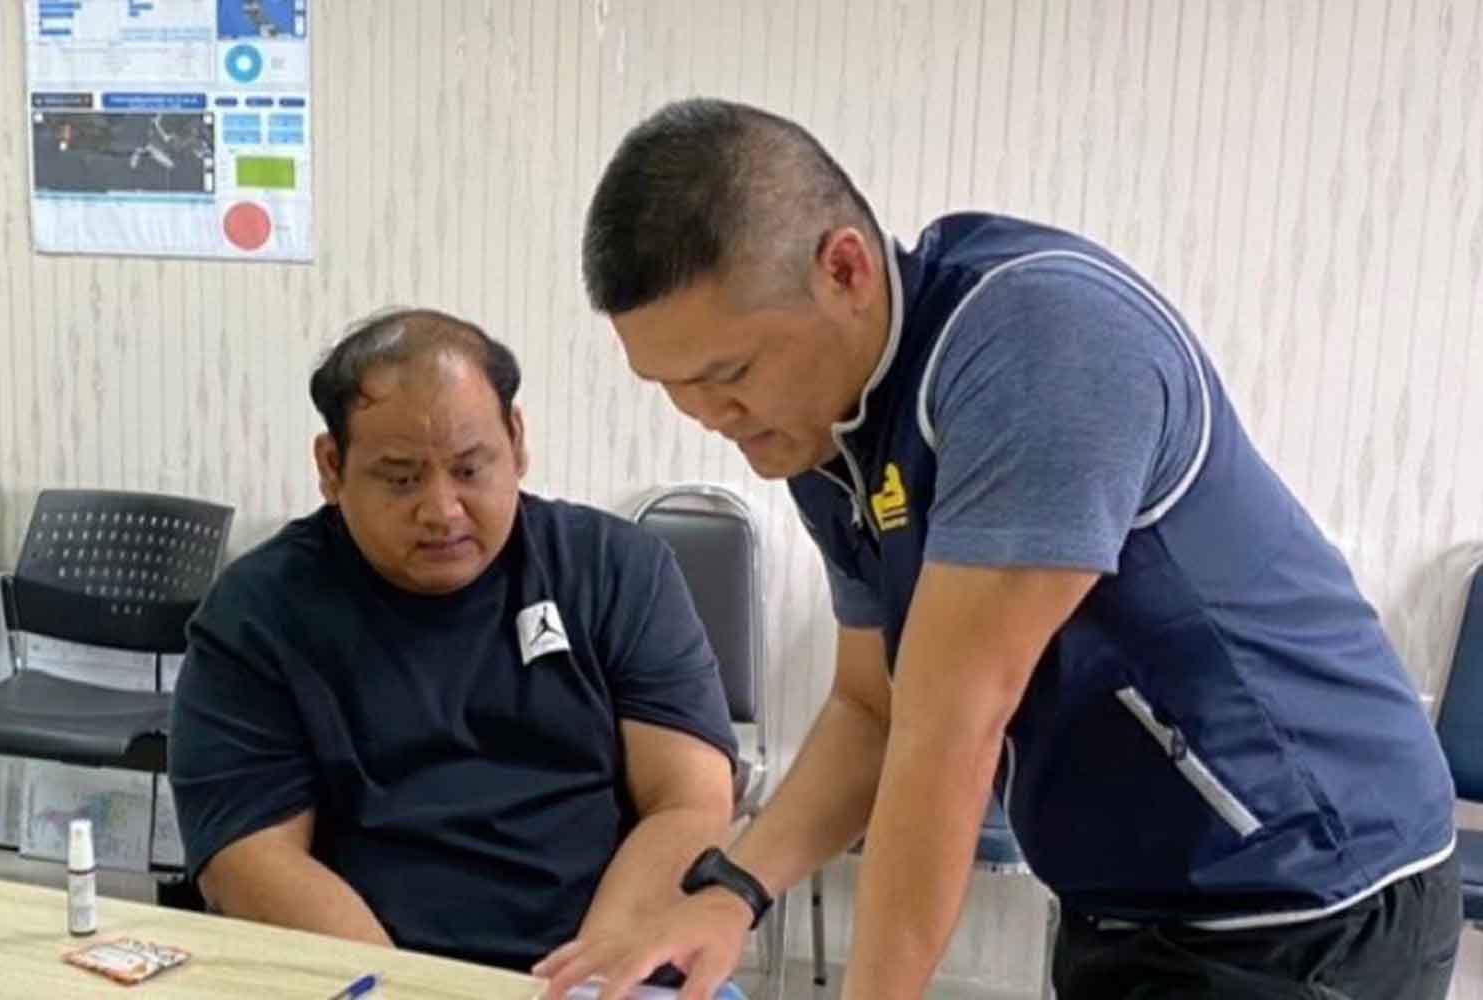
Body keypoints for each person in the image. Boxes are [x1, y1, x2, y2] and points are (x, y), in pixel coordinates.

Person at [536, 99, 1462, 999]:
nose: (709, 417)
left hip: (1310, 898)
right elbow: (873, 708)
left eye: (728, 374)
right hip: (1127, 897)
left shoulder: (1040, 347)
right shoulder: (827, 429)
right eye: (671, 388)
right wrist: (732, 892)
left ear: (845, 270)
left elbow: (950, 733)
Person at [169, 308, 739, 976]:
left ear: (517, 442)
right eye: (401, 478)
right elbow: (249, 855)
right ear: (331, 466)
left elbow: (690, 799)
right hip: (367, 974)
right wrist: (413, 991)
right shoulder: (257, 612)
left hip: (607, 964)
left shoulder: (618, 571)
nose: (441, 510)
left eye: (470, 470)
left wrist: (588, 979)